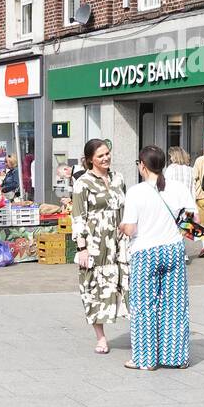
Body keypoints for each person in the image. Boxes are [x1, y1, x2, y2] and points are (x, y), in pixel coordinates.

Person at [119, 145, 192, 371]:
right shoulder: (179, 188)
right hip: (173, 249)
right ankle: (176, 357)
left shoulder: (136, 192)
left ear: (142, 165)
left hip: (145, 251)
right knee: (175, 305)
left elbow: (130, 229)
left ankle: (145, 359)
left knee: (144, 306)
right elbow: (191, 219)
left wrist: (121, 226)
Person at [71, 137, 128, 355]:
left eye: (107, 153)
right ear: (90, 160)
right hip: (95, 242)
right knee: (94, 286)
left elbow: (126, 208)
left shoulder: (118, 178)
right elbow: (78, 216)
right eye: (100, 156)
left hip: (119, 240)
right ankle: (101, 337)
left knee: (125, 283)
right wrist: (82, 247)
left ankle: (138, 331)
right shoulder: (83, 183)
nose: (106, 158)